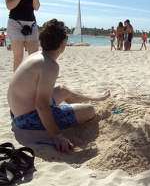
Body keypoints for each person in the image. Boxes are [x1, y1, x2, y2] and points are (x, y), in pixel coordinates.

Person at [7, 18, 111, 154]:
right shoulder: (49, 65)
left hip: (16, 112)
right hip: (27, 119)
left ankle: (95, 99)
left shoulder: (36, 55)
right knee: (89, 110)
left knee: (63, 90)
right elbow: (41, 104)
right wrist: (57, 136)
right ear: (63, 43)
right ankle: (81, 109)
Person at [5, 0, 40, 72]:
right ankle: (17, 83)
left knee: (35, 57)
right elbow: (9, 6)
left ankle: (33, 82)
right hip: (15, 23)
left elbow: (36, 7)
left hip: (31, 23)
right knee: (18, 58)